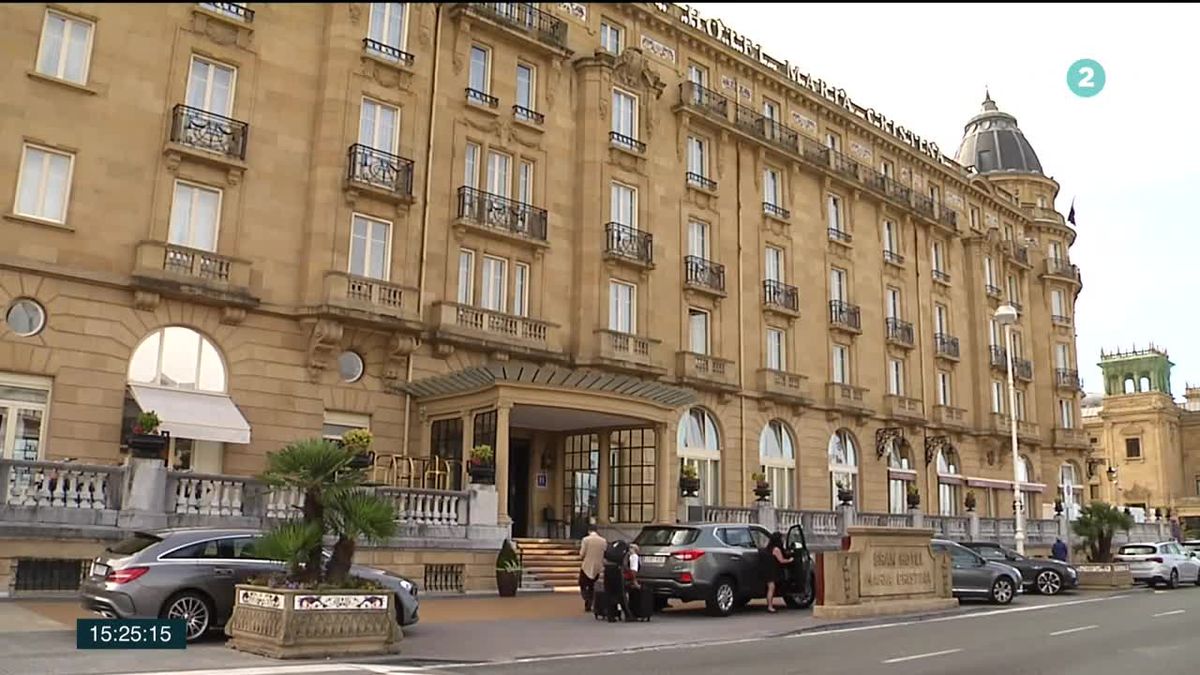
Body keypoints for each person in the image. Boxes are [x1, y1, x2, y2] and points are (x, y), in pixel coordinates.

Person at [578, 525, 607, 613]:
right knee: (592, 585)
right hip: (598, 566)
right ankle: (590, 601)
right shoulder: (603, 541)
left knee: (582, 583)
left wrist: (581, 556)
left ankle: (586, 598)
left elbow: (582, 554)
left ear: (589, 531)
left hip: (587, 565)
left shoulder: (586, 540)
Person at [763, 531, 793, 613]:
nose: (782, 540)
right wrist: (790, 560)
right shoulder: (776, 549)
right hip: (772, 571)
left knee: (770, 587)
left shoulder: (768, 548)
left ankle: (770, 605)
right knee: (771, 587)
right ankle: (770, 606)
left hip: (767, 569)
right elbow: (781, 560)